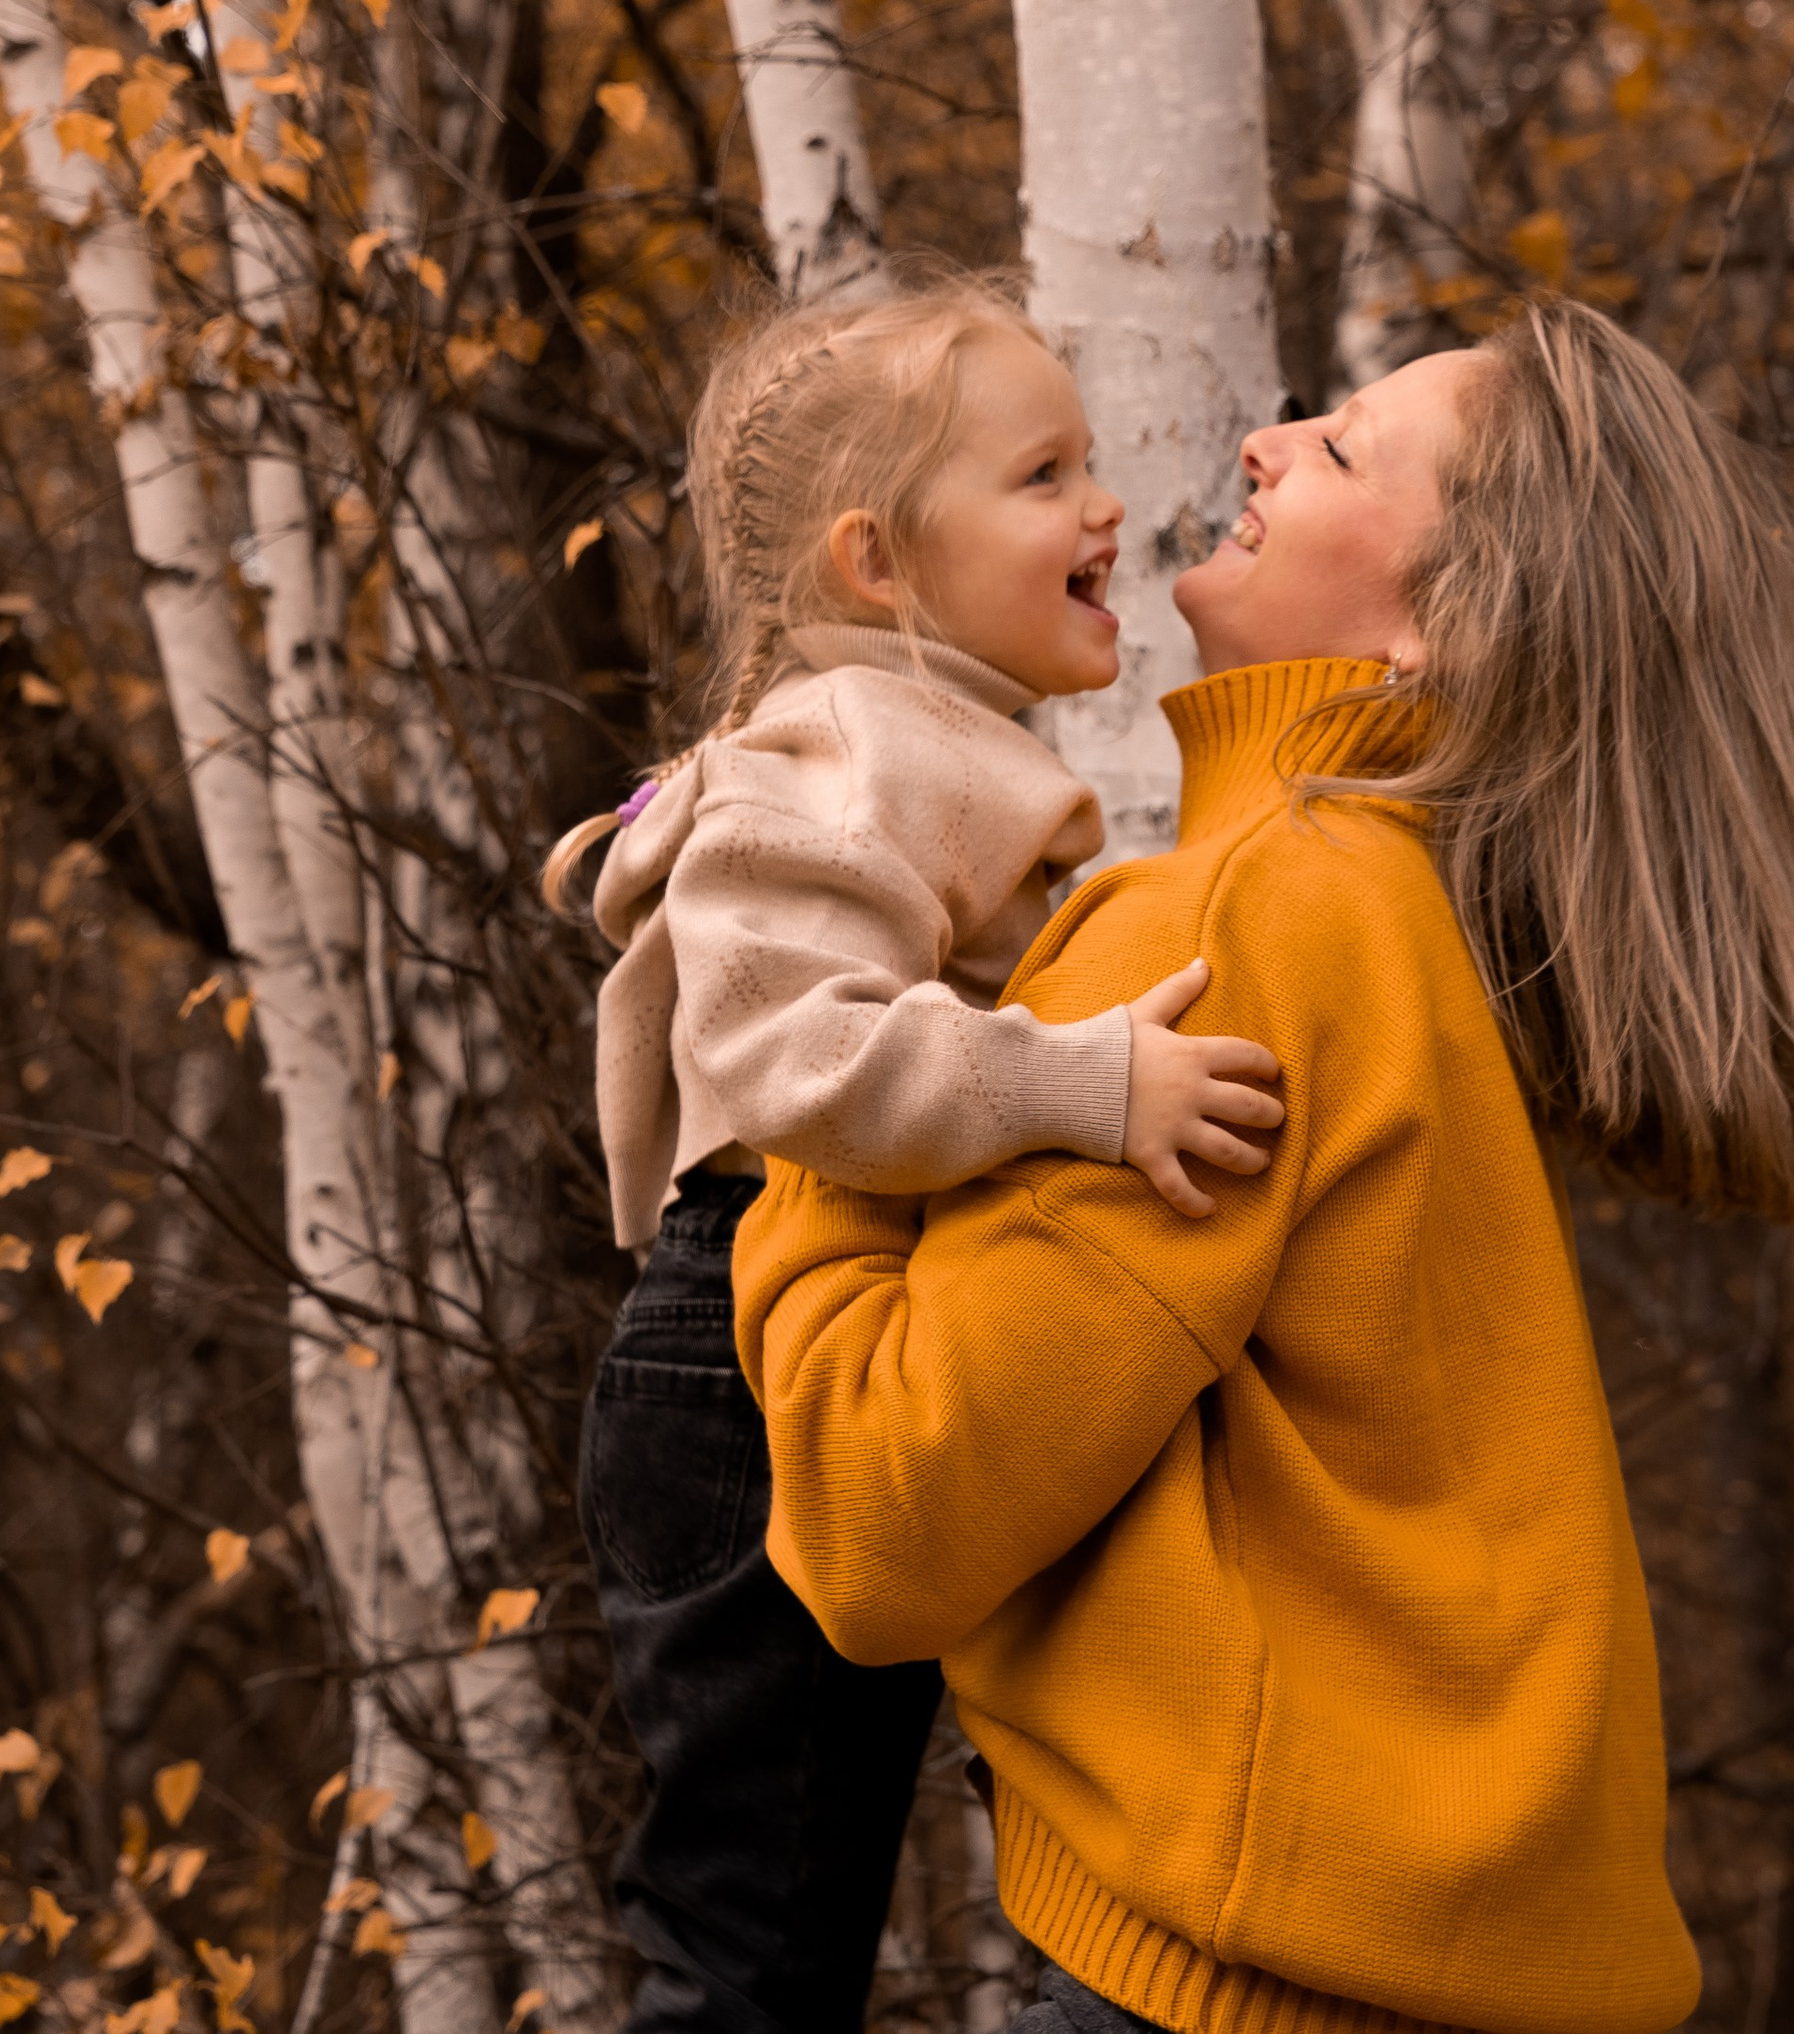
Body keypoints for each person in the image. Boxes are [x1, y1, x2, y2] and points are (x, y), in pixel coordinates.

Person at [733, 297, 1794, 2034]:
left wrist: (819, 1118)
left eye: (1337, 449)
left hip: (1248, 1984)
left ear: (1441, 626)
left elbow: (883, 1523)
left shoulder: (1241, 923)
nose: (1263, 442)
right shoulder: (1399, 905)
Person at [549, 263, 1287, 2034]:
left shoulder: (901, 745)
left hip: (851, 1342)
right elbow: (793, 1057)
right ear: (877, 564)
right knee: (751, 1946)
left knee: (818, 1907)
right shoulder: (835, 749)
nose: (1104, 505)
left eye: (1087, 461)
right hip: (745, 1367)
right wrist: (1087, 1087)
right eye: (1042, 477)